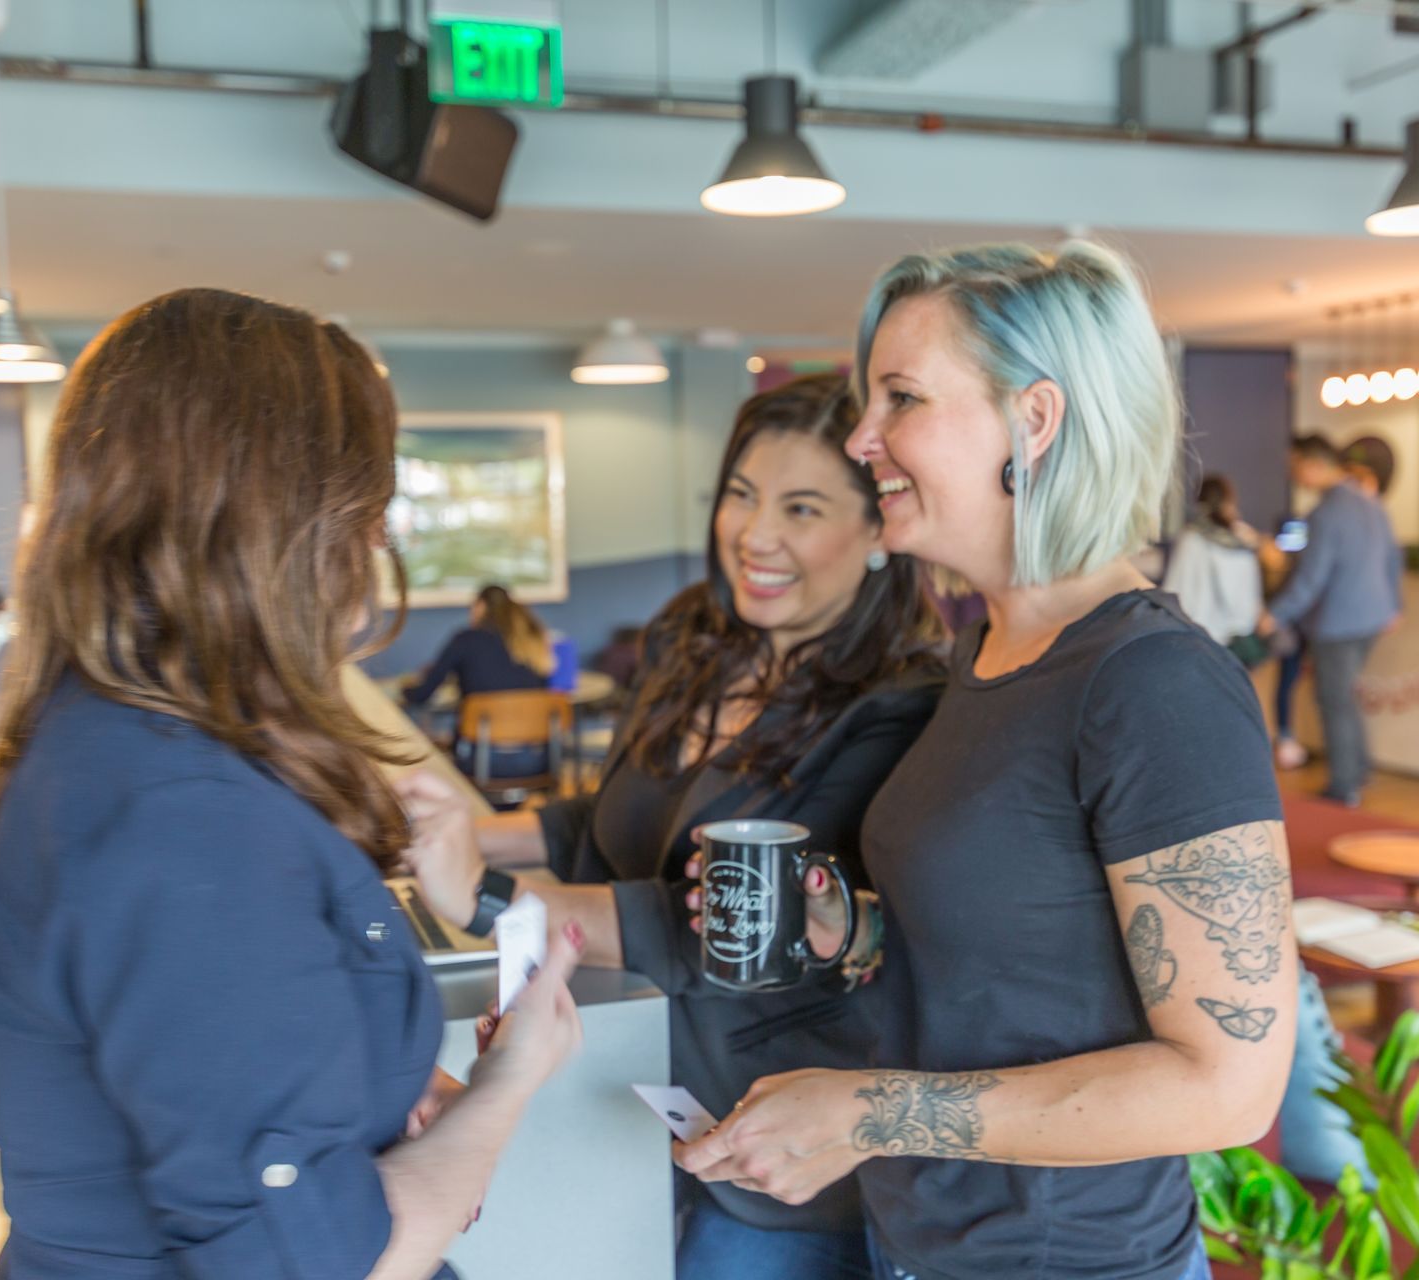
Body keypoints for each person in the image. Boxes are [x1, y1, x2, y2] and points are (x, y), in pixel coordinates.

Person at [678, 243, 1297, 1280]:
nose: (862, 438)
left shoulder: (1154, 685)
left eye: (901, 398)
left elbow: (1229, 1088)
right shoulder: (985, 654)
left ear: (1034, 421)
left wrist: (868, 1110)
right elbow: (1011, 964)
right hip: (923, 1235)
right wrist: (851, 924)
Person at [0, 288, 582, 1280]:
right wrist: (512, 1077)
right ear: (293, 526)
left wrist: (368, 1077)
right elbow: (329, 1265)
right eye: (365, 514)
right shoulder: (186, 819)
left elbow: (208, 1051)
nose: (375, 549)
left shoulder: (115, 742)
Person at [402, 373, 947, 1280]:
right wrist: (478, 827)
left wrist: (494, 895)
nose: (754, 534)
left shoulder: (895, 708)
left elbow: (731, 925)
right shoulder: (698, 638)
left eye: (801, 508)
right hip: (645, 1082)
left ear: (880, 530)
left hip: (774, 1149)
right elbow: (616, 819)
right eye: (741, 493)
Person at [1258, 434, 1403, 808]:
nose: (1294, 475)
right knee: (1345, 695)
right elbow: (1392, 557)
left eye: (1296, 466)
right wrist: (1393, 606)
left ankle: (1344, 786)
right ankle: (1358, 769)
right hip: (1371, 617)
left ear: (1314, 463)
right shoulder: (1370, 504)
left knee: (1334, 699)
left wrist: (1275, 614)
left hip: (1338, 622)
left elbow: (1310, 578)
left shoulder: (1325, 514)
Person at [406, 584, 555, 783]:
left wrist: (404, 691)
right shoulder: (532, 642)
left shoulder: (465, 640)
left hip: (481, 760)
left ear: (481, 606)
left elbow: (422, 694)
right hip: (536, 759)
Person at [1162, 474, 1267, 659]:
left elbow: (1175, 587)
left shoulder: (1190, 538)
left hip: (1200, 634)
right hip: (1235, 633)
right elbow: (1250, 590)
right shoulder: (1243, 538)